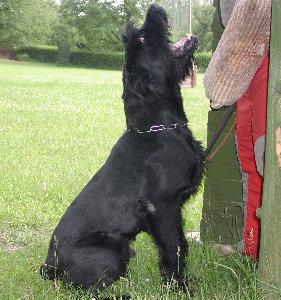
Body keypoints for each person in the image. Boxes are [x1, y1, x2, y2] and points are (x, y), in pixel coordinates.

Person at [204, 0, 271, 259]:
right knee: (249, 158)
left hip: (272, 60)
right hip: (249, 63)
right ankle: (252, 245)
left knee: (266, 157)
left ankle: (265, 251)